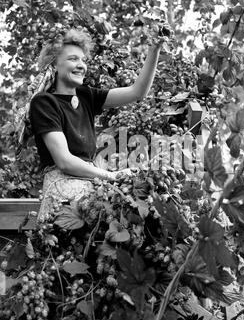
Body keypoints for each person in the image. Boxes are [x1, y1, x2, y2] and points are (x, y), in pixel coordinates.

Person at [28, 27, 167, 221]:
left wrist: (154, 50)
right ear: (54, 64)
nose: (81, 65)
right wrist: (111, 177)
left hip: (89, 187)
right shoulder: (44, 102)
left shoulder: (86, 96)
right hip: (62, 193)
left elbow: (137, 92)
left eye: (83, 60)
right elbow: (64, 161)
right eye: (72, 59)